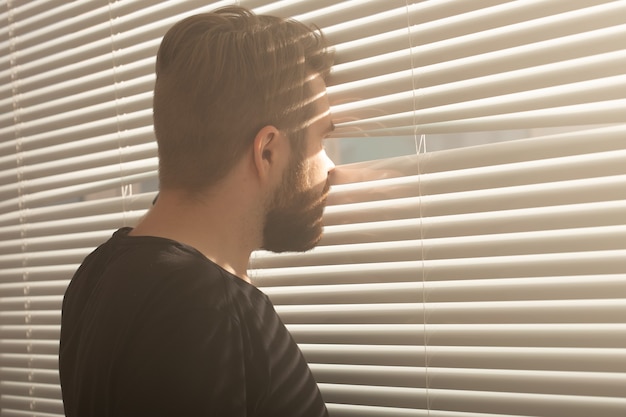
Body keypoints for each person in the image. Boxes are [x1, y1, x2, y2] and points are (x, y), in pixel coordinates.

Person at [59, 6, 335, 417]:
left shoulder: (98, 271)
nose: (331, 168)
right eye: (320, 143)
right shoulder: (207, 311)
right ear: (267, 151)